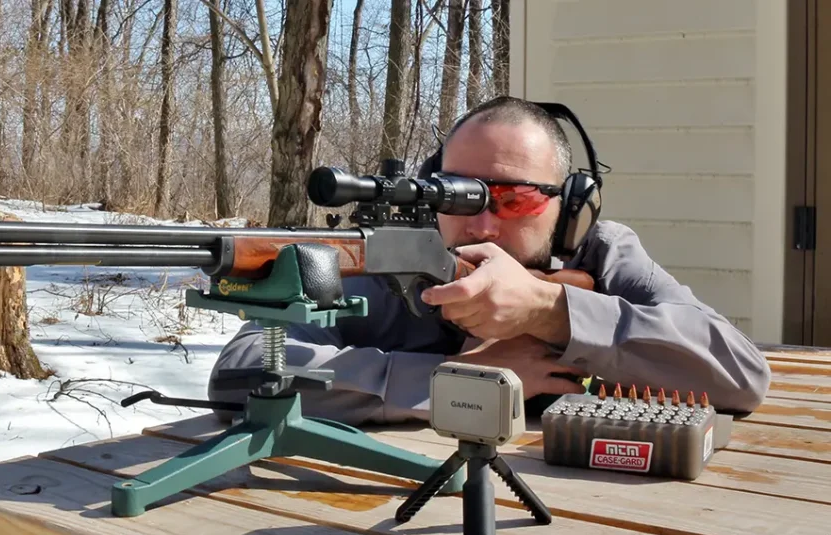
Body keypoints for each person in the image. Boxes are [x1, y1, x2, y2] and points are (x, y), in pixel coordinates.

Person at [206, 96, 771, 426]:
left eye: (513, 198)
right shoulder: (405, 263)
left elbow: (741, 375)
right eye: (454, 193)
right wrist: (457, 383)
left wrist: (551, 311)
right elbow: (241, 370)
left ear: (571, 208)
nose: (479, 224)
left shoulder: (603, 254)